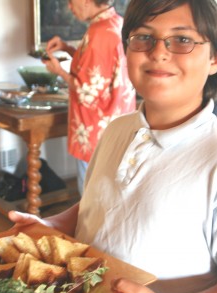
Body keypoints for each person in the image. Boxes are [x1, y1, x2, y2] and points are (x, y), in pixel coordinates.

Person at [9, 0, 217, 293]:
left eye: (182, 39)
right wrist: (54, 224)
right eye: (144, 37)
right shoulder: (116, 130)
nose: (159, 52)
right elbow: (100, 203)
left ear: (215, 58)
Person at [42, 0, 136, 195]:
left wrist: (58, 70)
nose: (69, 6)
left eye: (70, 1)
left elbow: (88, 93)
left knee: (90, 196)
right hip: (117, 120)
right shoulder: (116, 23)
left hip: (96, 127)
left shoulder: (98, 33)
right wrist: (67, 48)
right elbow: (100, 70)